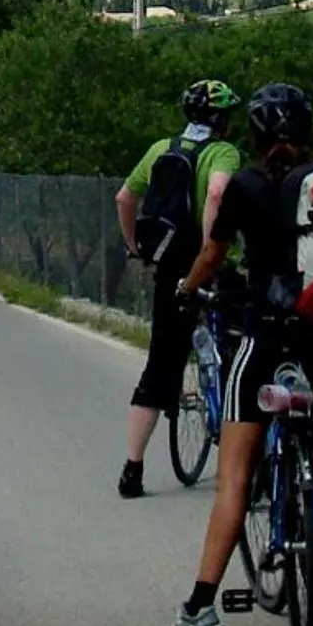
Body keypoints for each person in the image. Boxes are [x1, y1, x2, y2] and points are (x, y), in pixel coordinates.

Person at [159, 82, 313, 626]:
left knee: (235, 478)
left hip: (264, 336)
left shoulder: (245, 185)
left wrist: (186, 289)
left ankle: (199, 609)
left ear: (258, 134)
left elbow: (213, 255)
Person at [114, 79, 242, 498]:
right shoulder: (222, 152)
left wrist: (135, 246)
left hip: (169, 267)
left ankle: (132, 469)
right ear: (221, 120)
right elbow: (219, 193)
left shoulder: (160, 148)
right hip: (209, 267)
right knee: (242, 353)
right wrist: (211, 252)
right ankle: (241, 452)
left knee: (160, 363)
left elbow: (124, 198)